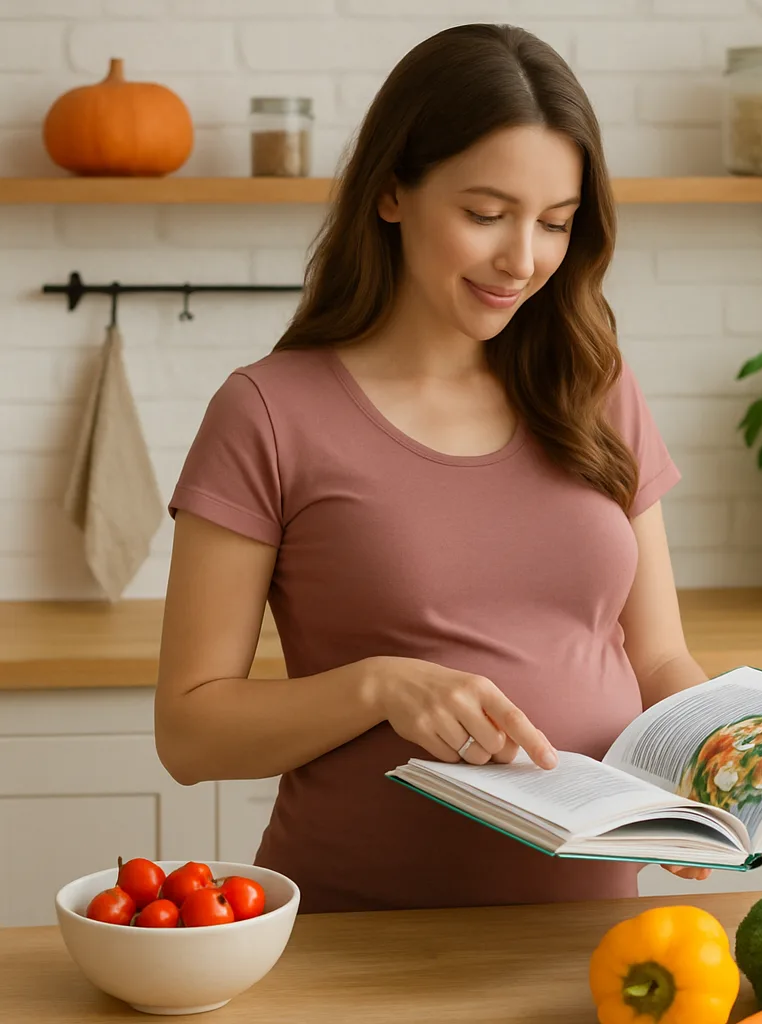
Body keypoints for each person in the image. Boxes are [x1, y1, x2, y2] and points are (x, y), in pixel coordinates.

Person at [155, 23, 710, 914]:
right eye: (485, 214)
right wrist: (378, 686)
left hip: (596, 933)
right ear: (390, 193)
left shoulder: (593, 385)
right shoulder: (268, 412)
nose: (521, 259)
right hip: (363, 937)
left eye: (555, 223)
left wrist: (718, 759)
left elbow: (660, 657)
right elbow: (188, 732)